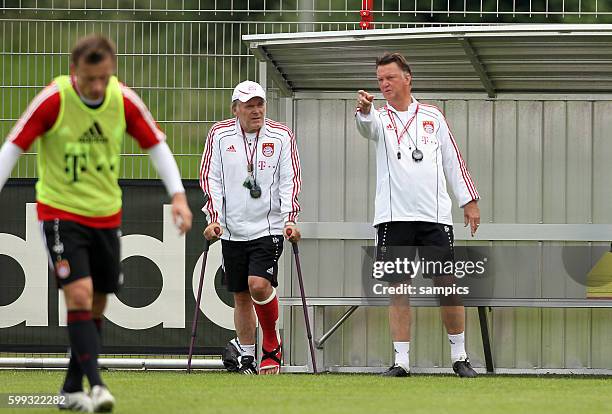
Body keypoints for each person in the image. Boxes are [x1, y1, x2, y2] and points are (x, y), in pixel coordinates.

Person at [0, 34, 192, 411]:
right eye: (90, 79)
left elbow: (155, 145)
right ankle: (97, 386)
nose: (98, 86)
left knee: (98, 304)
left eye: (105, 77)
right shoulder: (54, 100)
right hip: (59, 213)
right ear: (75, 72)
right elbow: (13, 147)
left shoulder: (122, 99)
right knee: (80, 295)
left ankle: (71, 389)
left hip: (105, 216)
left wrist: (180, 196)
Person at [355, 52, 481, 378]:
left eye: (390, 78)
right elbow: (365, 127)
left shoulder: (433, 116)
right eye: (380, 80)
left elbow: (453, 160)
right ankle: (401, 361)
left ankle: (460, 357)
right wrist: (365, 111)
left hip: (435, 216)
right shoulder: (379, 117)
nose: (384, 85)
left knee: (447, 283)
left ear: (407, 78)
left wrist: (468, 201)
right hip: (393, 218)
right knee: (399, 287)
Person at [199, 80, 301, 375]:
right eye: (249, 106)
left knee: (259, 285)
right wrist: (214, 218)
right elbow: (211, 178)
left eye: (260, 104)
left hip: (268, 226)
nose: (256, 111)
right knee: (241, 294)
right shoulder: (219, 135)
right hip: (231, 229)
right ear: (236, 109)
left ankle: (271, 343)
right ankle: (246, 353)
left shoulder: (281, 136)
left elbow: (290, 179)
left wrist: (290, 218)